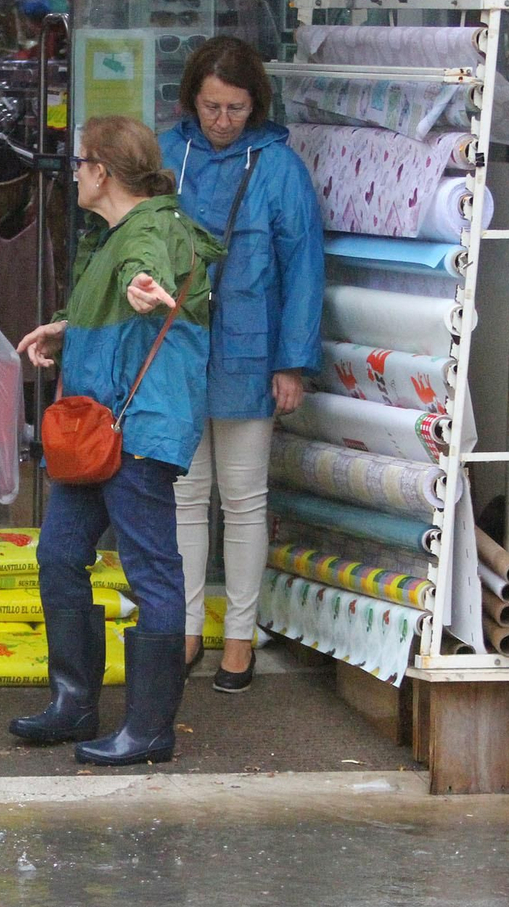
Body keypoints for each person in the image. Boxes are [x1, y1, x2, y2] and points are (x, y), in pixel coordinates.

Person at [11, 115, 224, 766]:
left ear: (102, 171)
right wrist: (65, 328)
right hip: (99, 428)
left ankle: (149, 730)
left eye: (80, 163)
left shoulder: (151, 230)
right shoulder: (122, 231)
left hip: (135, 428)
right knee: (59, 554)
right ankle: (74, 703)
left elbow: (144, 272)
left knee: (153, 572)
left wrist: (145, 289)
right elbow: (116, 303)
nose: (74, 172)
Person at [158, 35, 324, 693]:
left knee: (245, 497)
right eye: (211, 106)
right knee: (184, 495)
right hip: (178, 346)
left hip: (252, 351)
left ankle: (240, 636)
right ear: (192, 100)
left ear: (255, 105)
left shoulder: (280, 168)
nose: (222, 120)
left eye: (234, 108)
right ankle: (188, 627)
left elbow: (305, 269)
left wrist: (294, 363)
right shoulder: (168, 154)